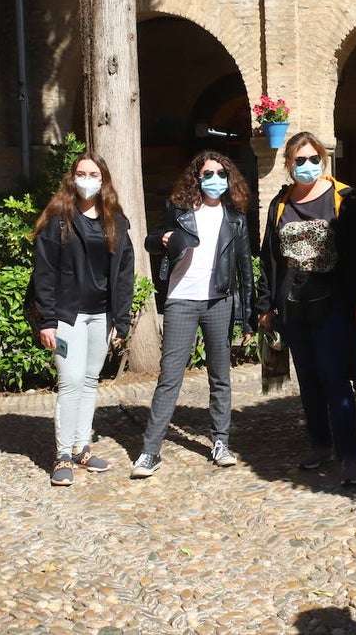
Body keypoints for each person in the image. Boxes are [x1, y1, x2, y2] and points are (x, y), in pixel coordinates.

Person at [256, 131, 356, 487]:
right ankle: (320, 444)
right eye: (299, 160)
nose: (307, 165)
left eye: (312, 158)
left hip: (334, 304)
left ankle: (349, 456)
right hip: (293, 307)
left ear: (322, 159)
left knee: (335, 378)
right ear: (289, 165)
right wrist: (264, 305)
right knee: (307, 380)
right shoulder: (280, 203)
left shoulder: (344, 197)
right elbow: (269, 257)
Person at [131, 151, 255, 478]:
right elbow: (149, 241)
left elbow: (245, 270)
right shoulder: (179, 210)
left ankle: (220, 442)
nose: (215, 179)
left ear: (229, 179)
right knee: (169, 377)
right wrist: (164, 238)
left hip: (219, 302)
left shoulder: (236, 219)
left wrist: (246, 318)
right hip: (181, 301)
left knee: (220, 376)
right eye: (208, 173)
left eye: (221, 173)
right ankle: (150, 451)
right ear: (197, 178)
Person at [29, 152, 135, 486]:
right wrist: (47, 321)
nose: (87, 178)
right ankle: (62, 455)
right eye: (81, 172)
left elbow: (125, 272)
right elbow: (44, 273)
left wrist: (122, 318)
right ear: (72, 178)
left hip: (100, 316)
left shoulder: (115, 221)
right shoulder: (57, 217)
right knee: (70, 381)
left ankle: (81, 447)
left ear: (103, 180)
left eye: (93, 173)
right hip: (66, 318)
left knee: (89, 381)